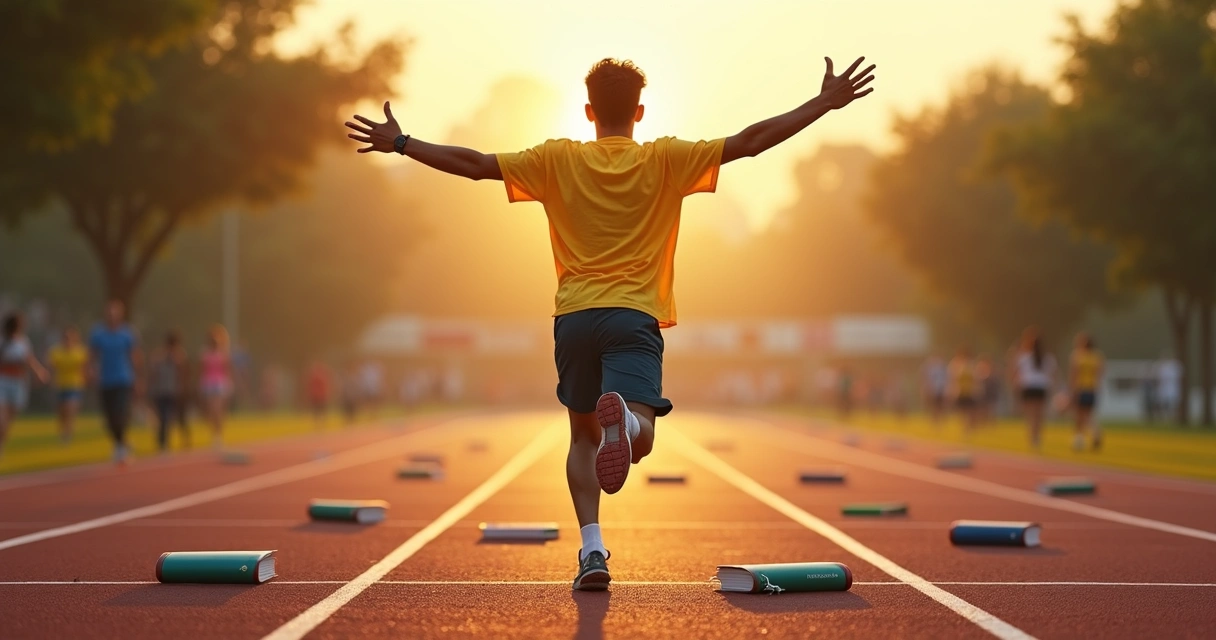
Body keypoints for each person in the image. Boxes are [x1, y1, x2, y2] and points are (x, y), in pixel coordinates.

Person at [347, 54, 876, 590]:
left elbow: (476, 164)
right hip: (632, 315)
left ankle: (592, 550)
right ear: (639, 112)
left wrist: (402, 143)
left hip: (574, 316)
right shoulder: (667, 159)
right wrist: (822, 104)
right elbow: (751, 141)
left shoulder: (556, 159)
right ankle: (626, 423)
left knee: (581, 439)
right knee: (640, 438)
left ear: (588, 111)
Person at [89, 300, 141, 465]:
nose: (112, 316)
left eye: (115, 313)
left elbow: (134, 356)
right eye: (109, 313)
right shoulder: (98, 333)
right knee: (109, 418)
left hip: (123, 379)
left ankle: (120, 447)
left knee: (120, 413)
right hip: (105, 380)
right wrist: (90, 371)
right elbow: (92, 355)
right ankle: (122, 441)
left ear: (120, 315)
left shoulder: (127, 333)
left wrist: (138, 378)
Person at [0, 312, 50, 460]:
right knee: (2, 417)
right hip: (3, 381)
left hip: (18, 383)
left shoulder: (23, 342)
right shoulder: (2, 341)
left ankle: (2, 442)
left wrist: (40, 372)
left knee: (10, 417)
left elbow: (29, 359)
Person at [148, 330, 191, 452]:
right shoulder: (159, 356)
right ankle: (163, 443)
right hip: (162, 391)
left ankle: (185, 439)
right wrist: (151, 389)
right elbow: (153, 373)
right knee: (163, 418)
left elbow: (184, 374)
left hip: (175, 392)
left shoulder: (180, 356)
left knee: (180, 417)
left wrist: (183, 388)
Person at [1015, 328, 1056, 451]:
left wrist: (1017, 387)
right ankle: (1037, 437)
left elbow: (1017, 373)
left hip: (1028, 387)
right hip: (1041, 387)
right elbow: (1052, 374)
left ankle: (1032, 437)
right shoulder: (1047, 357)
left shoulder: (1024, 357)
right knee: (1039, 415)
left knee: (1030, 414)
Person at [48, 326, 88, 444]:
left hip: (75, 385)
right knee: (62, 413)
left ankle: (68, 434)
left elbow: (85, 368)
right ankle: (63, 431)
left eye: (70, 337)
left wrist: (87, 378)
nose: (67, 340)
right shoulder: (56, 352)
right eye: (65, 337)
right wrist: (50, 379)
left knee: (70, 409)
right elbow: (51, 367)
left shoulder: (80, 352)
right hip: (60, 385)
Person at [198, 325, 233, 449]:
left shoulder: (223, 353)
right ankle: (214, 434)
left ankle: (218, 435)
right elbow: (202, 370)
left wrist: (229, 385)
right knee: (210, 411)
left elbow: (227, 370)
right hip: (208, 384)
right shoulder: (205, 354)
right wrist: (200, 385)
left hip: (220, 384)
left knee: (217, 410)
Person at [1069, 333, 1104, 452]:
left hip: (1081, 388)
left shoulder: (1078, 356)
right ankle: (1096, 432)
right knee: (1089, 415)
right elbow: (1100, 373)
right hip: (1092, 389)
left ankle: (1079, 440)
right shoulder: (1096, 356)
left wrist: (1072, 390)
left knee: (1079, 416)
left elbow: (1074, 374)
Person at [948, 347, 978, 432]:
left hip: (970, 391)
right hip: (961, 391)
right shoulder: (956, 364)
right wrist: (952, 390)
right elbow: (953, 378)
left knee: (971, 410)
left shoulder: (971, 365)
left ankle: (969, 426)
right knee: (962, 410)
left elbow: (975, 378)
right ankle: (965, 427)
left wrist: (976, 389)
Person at [1154, 352, 1182, 423]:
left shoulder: (1175, 366)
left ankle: (1174, 416)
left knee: (1173, 403)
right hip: (1164, 388)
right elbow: (1159, 378)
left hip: (1173, 388)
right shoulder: (1162, 366)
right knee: (1164, 403)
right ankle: (1165, 417)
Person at [921, 355, 948, 424]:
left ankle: (939, 420)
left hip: (939, 389)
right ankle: (935, 420)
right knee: (934, 406)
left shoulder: (941, 367)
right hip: (934, 390)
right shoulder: (931, 367)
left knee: (939, 406)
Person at [305, 361, 331, 428]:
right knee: (318, 410)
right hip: (318, 395)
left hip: (319, 395)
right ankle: (319, 423)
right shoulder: (319, 376)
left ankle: (319, 423)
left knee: (318, 410)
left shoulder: (317, 376)